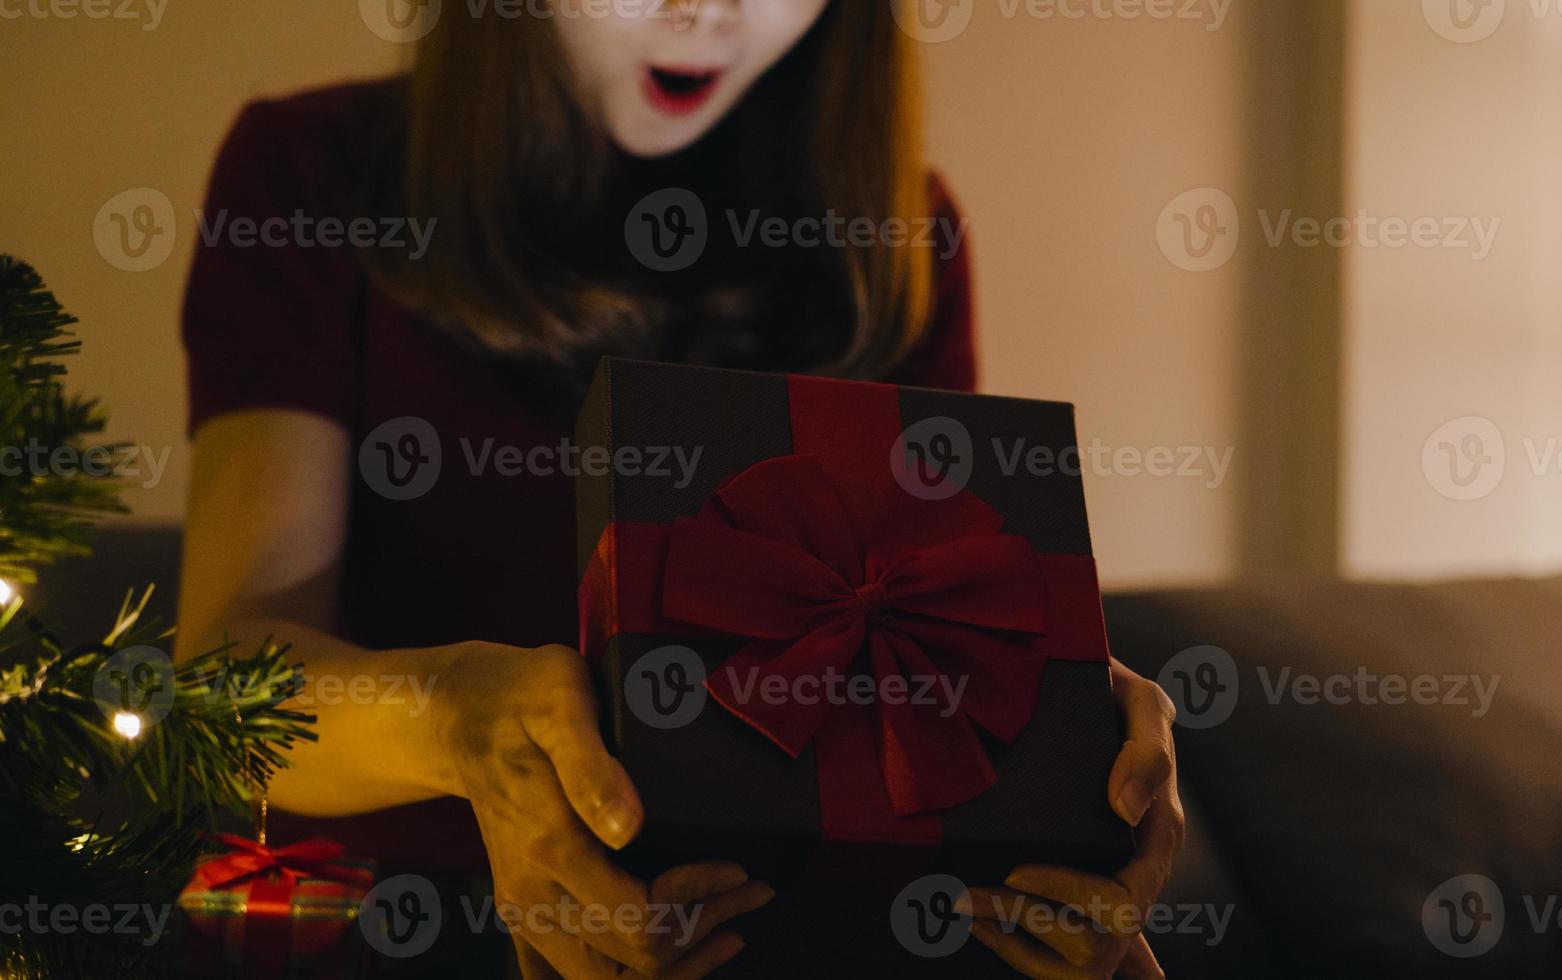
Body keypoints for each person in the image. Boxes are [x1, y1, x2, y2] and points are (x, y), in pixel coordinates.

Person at [175, 3, 1184, 976]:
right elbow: (221, 686)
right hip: (388, 914)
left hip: (787, 932)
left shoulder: (898, 236)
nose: (702, 9)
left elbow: (929, 640)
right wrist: (453, 720)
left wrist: (1065, 734)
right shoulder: (313, 171)